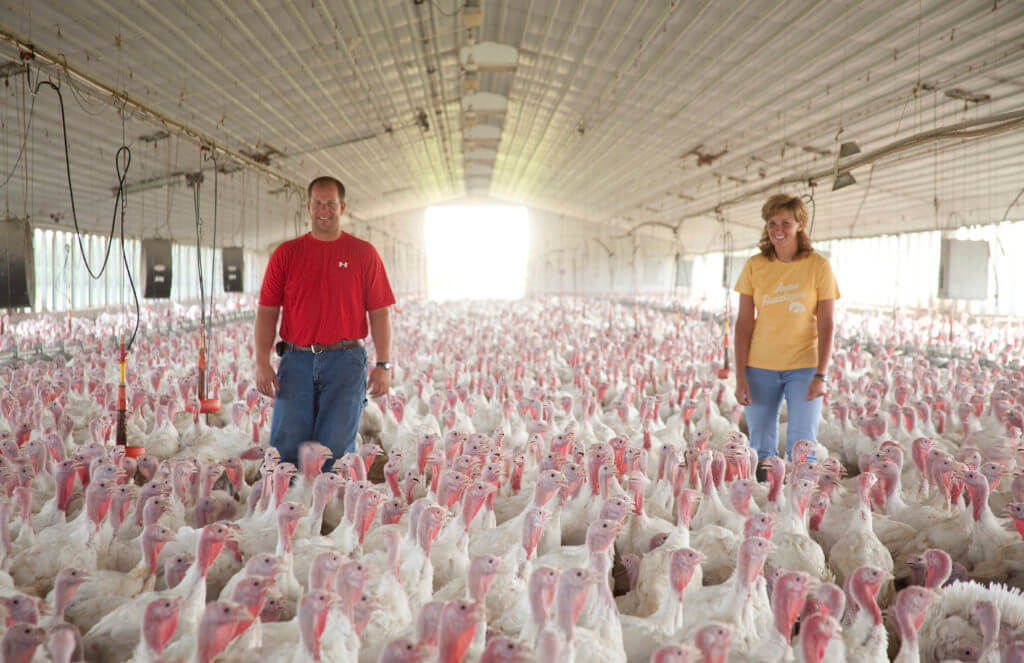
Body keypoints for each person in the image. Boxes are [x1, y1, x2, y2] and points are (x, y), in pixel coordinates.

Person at [254, 175, 395, 466]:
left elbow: (379, 312)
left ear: (342, 207)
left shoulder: (363, 253)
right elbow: (267, 311)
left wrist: (384, 364)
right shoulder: (286, 254)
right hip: (296, 359)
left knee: (337, 449)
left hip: (346, 359)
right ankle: (287, 507)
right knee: (286, 448)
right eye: (318, 203)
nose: (324, 210)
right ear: (308, 207)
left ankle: (329, 509)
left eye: (330, 203)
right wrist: (261, 361)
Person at [733, 193, 839, 468]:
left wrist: (821, 373)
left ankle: (797, 509)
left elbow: (827, 323)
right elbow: (744, 323)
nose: (778, 230)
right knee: (760, 446)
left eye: (785, 223)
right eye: (772, 223)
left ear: (800, 225)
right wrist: (740, 375)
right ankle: (767, 505)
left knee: (803, 447)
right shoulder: (755, 266)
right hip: (760, 366)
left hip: (804, 366)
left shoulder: (819, 266)